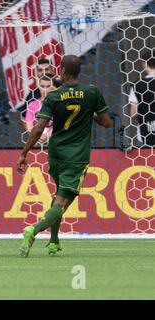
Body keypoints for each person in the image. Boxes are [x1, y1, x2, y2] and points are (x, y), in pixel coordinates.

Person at [16, 55, 112, 257]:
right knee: (63, 202)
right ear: (78, 71)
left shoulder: (53, 95)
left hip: (56, 154)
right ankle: (33, 230)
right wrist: (90, 113)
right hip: (76, 156)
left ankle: (54, 241)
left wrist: (24, 153)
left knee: (59, 195)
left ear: (63, 71)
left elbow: (38, 128)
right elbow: (106, 122)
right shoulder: (91, 92)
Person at [128, 49, 155, 147]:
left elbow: (133, 113)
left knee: (145, 162)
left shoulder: (137, 85)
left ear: (144, 63)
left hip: (144, 136)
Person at [23, 75, 55, 144]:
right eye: (42, 86)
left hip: (54, 143)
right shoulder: (32, 105)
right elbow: (29, 126)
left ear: (53, 88)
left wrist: (47, 136)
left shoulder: (59, 104)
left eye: (48, 86)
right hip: (36, 144)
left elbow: (60, 125)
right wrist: (38, 136)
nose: (45, 89)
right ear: (39, 87)